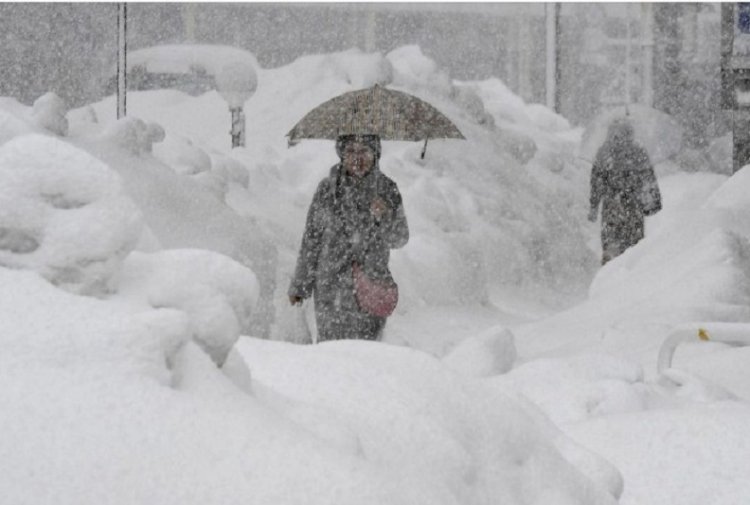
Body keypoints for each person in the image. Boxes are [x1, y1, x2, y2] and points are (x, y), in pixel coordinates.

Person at [288, 133, 409, 342]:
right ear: (341, 154)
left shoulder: (388, 189)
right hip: (330, 289)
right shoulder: (327, 189)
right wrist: (300, 285)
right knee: (332, 353)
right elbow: (311, 240)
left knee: (367, 355)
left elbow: (400, 238)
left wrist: (385, 217)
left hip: (371, 286)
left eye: (364, 151)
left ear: (376, 153)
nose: (357, 158)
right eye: (350, 151)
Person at [588, 118, 661, 265]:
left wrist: (594, 206)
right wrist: (653, 202)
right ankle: (631, 273)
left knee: (611, 242)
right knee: (634, 245)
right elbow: (648, 179)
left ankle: (609, 271)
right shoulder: (638, 151)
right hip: (633, 206)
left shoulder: (604, 152)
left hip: (611, 206)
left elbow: (596, 182)